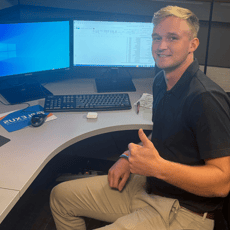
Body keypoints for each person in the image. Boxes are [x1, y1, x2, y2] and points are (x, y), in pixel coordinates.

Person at [50, 6, 230, 230]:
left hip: (185, 210)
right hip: (150, 187)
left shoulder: (205, 98)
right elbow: (165, 137)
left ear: (193, 45)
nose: (161, 46)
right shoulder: (161, 81)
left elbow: (223, 183)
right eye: (157, 38)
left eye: (172, 38)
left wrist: (158, 168)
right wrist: (127, 157)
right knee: (60, 197)